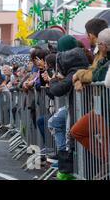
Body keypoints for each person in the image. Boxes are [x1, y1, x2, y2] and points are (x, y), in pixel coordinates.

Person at [48, 35, 90, 180]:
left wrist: (52, 80)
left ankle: (69, 169)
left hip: (80, 109)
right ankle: (65, 165)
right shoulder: (75, 67)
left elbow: (57, 90)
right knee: (55, 122)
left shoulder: (74, 69)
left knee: (70, 135)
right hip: (74, 107)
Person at [70, 28, 110, 157]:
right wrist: (80, 78)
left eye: (99, 44)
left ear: (104, 46)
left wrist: (78, 75)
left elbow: (96, 76)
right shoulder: (104, 58)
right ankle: (105, 160)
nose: (97, 46)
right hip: (101, 107)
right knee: (77, 131)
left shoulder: (105, 59)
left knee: (106, 141)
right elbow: (95, 73)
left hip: (105, 108)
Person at [73, 18, 108, 90]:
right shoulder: (98, 51)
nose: (86, 36)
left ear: (91, 35)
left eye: (86, 33)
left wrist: (78, 74)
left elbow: (96, 73)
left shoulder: (103, 52)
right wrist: (81, 80)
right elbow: (94, 71)